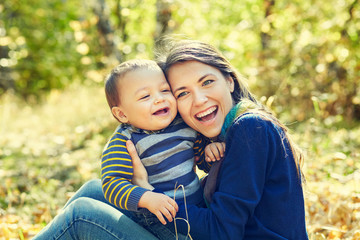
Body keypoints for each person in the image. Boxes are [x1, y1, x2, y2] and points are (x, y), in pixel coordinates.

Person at [33, 38, 308, 240]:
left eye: (207, 82)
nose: (199, 100)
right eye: (183, 93)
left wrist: (150, 194)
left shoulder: (251, 129)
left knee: (81, 215)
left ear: (230, 81)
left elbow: (222, 231)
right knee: (95, 190)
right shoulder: (232, 129)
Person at [100, 59, 224, 239]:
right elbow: (112, 184)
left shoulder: (184, 126)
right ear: (122, 114)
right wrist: (147, 198)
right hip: (157, 219)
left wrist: (210, 152)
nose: (159, 99)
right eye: (145, 96)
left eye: (165, 90)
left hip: (196, 209)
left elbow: (202, 161)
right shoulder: (125, 141)